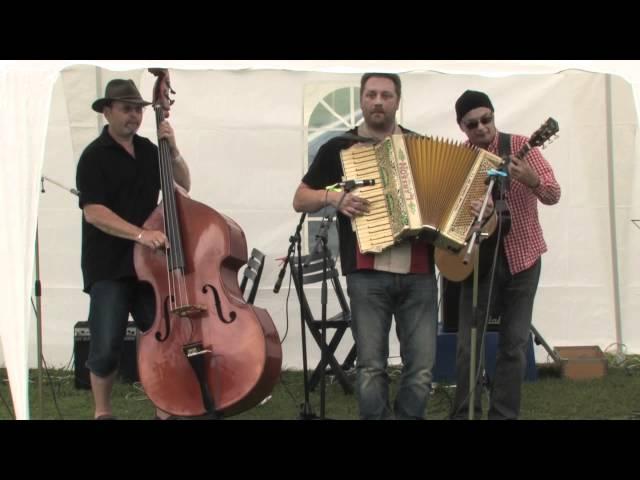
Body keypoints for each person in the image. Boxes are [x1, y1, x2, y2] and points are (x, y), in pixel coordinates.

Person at [292, 73, 438, 420]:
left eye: (386, 95)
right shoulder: (338, 147)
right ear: (361, 100)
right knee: (371, 367)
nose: (378, 102)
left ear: (397, 101)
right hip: (366, 273)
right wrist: (334, 197)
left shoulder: (421, 146)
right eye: (371, 94)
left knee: (421, 372)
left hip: (419, 272)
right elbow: (300, 199)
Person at [76, 78, 191, 420]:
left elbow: (183, 185)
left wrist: (173, 149)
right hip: (109, 266)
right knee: (107, 345)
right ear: (107, 111)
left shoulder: (149, 151)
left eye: (139, 110)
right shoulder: (93, 157)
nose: (135, 116)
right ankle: (103, 412)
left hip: (150, 267)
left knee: (161, 340)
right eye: (127, 109)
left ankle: (164, 407)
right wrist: (140, 235)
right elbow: (94, 212)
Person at [450, 90, 561, 420]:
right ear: (462, 127)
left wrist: (531, 179)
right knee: (469, 345)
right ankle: (465, 413)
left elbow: (554, 194)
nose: (482, 127)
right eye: (473, 124)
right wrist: (466, 212)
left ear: (494, 116)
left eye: (487, 119)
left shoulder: (524, 146)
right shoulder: (459, 157)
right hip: (478, 259)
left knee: (513, 345)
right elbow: (448, 208)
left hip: (523, 257)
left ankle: (503, 414)